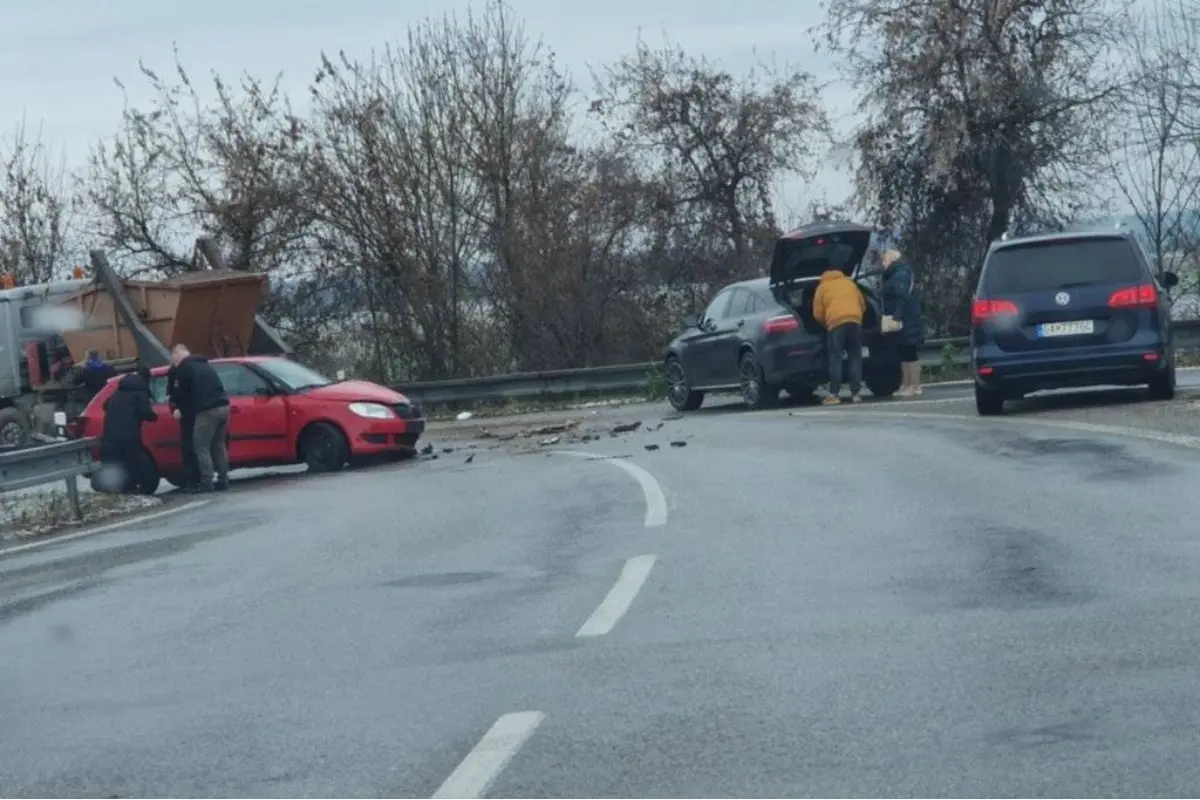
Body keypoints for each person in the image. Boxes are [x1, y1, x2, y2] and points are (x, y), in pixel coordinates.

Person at [169, 344, 231, 492]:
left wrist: (178, 408)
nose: (174, 364)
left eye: (174, 360)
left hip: (207, 410)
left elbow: (180, 394)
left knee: (201, 447)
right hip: (224, 406)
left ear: (178, 356)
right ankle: (223, 479)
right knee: (218, 445)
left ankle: (206, 482)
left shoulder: (185, 367)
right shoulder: (204, 364)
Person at [98, 365, 158, 493]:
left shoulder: (118, 392)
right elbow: (146, 413)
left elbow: (105, 405)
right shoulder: (140, 393)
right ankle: (140, 487)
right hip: (129, 434)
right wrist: (154, 416)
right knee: (135, 460)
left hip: (111, 434)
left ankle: (122, 489)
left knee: (118, 463)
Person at [813, 266, 867, 405]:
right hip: (855, 322)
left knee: (835, 358)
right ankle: (856, 393)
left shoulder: (823, 287)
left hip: (836, 324)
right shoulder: (849, 283)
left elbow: (817, 312)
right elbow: (862, 304)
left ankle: (834, 394)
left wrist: (826, 324)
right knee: (855, 357)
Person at [879, 249, 925, 396]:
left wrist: (896, 317)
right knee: (903, 352)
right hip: (904, 318)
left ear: (892, 260)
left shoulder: (900, 275)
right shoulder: (897, 273)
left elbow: (901, 297)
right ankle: (906, 385)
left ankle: (914, 385)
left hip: (906, 319)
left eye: (884, 260)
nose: (883, 264)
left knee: (910, 352)